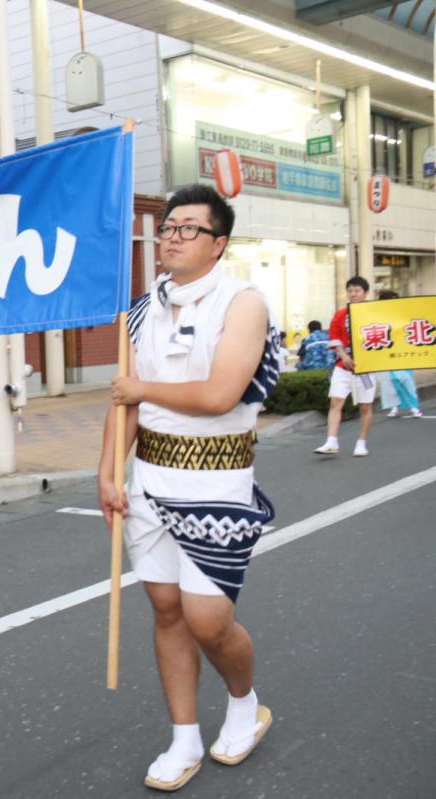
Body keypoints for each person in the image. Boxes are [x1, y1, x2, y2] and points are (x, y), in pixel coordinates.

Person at [100, 184, 279, 792]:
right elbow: (120, 401)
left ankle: (243, 702)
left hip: (219, 480)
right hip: (149, 478)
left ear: (218, 243)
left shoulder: (243, 302)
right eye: (168, 227)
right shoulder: (140, 309)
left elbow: (218, 394)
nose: (171, 237)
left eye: (187, 229)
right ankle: (183, 737)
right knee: (167, 611)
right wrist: (107, 473)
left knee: (208, 619)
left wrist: (140, 393)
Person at [314, 276, 375, 457]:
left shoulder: (373, 312)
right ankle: (331, 441)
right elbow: (335, 337)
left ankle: (361, 442)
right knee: (336, 401)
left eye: (357, 291)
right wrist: (343, 355)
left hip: (366, 368)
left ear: (365, 293)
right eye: (350, 290)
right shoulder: (340, 314)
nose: (353, 294)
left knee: (365, 406)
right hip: (342, 365)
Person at [375, 291, 423, 419]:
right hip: (385, 353)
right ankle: (394, 407)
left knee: (407, 380)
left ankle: (414, 407)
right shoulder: (377, 316)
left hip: (402, 354)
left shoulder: (402, 314)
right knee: (388, 382)